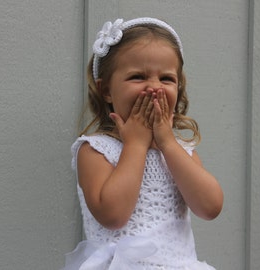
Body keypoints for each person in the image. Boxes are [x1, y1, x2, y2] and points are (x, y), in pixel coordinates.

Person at [62, 17, 223, 270]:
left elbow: (210, 207)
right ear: (106, 91)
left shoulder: (180, 151)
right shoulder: (95, 150)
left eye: (167, 79)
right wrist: (135, 145)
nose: (154, 88)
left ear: (179, 89)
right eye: (138, 77)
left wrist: (168, 144)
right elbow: (113, 215)